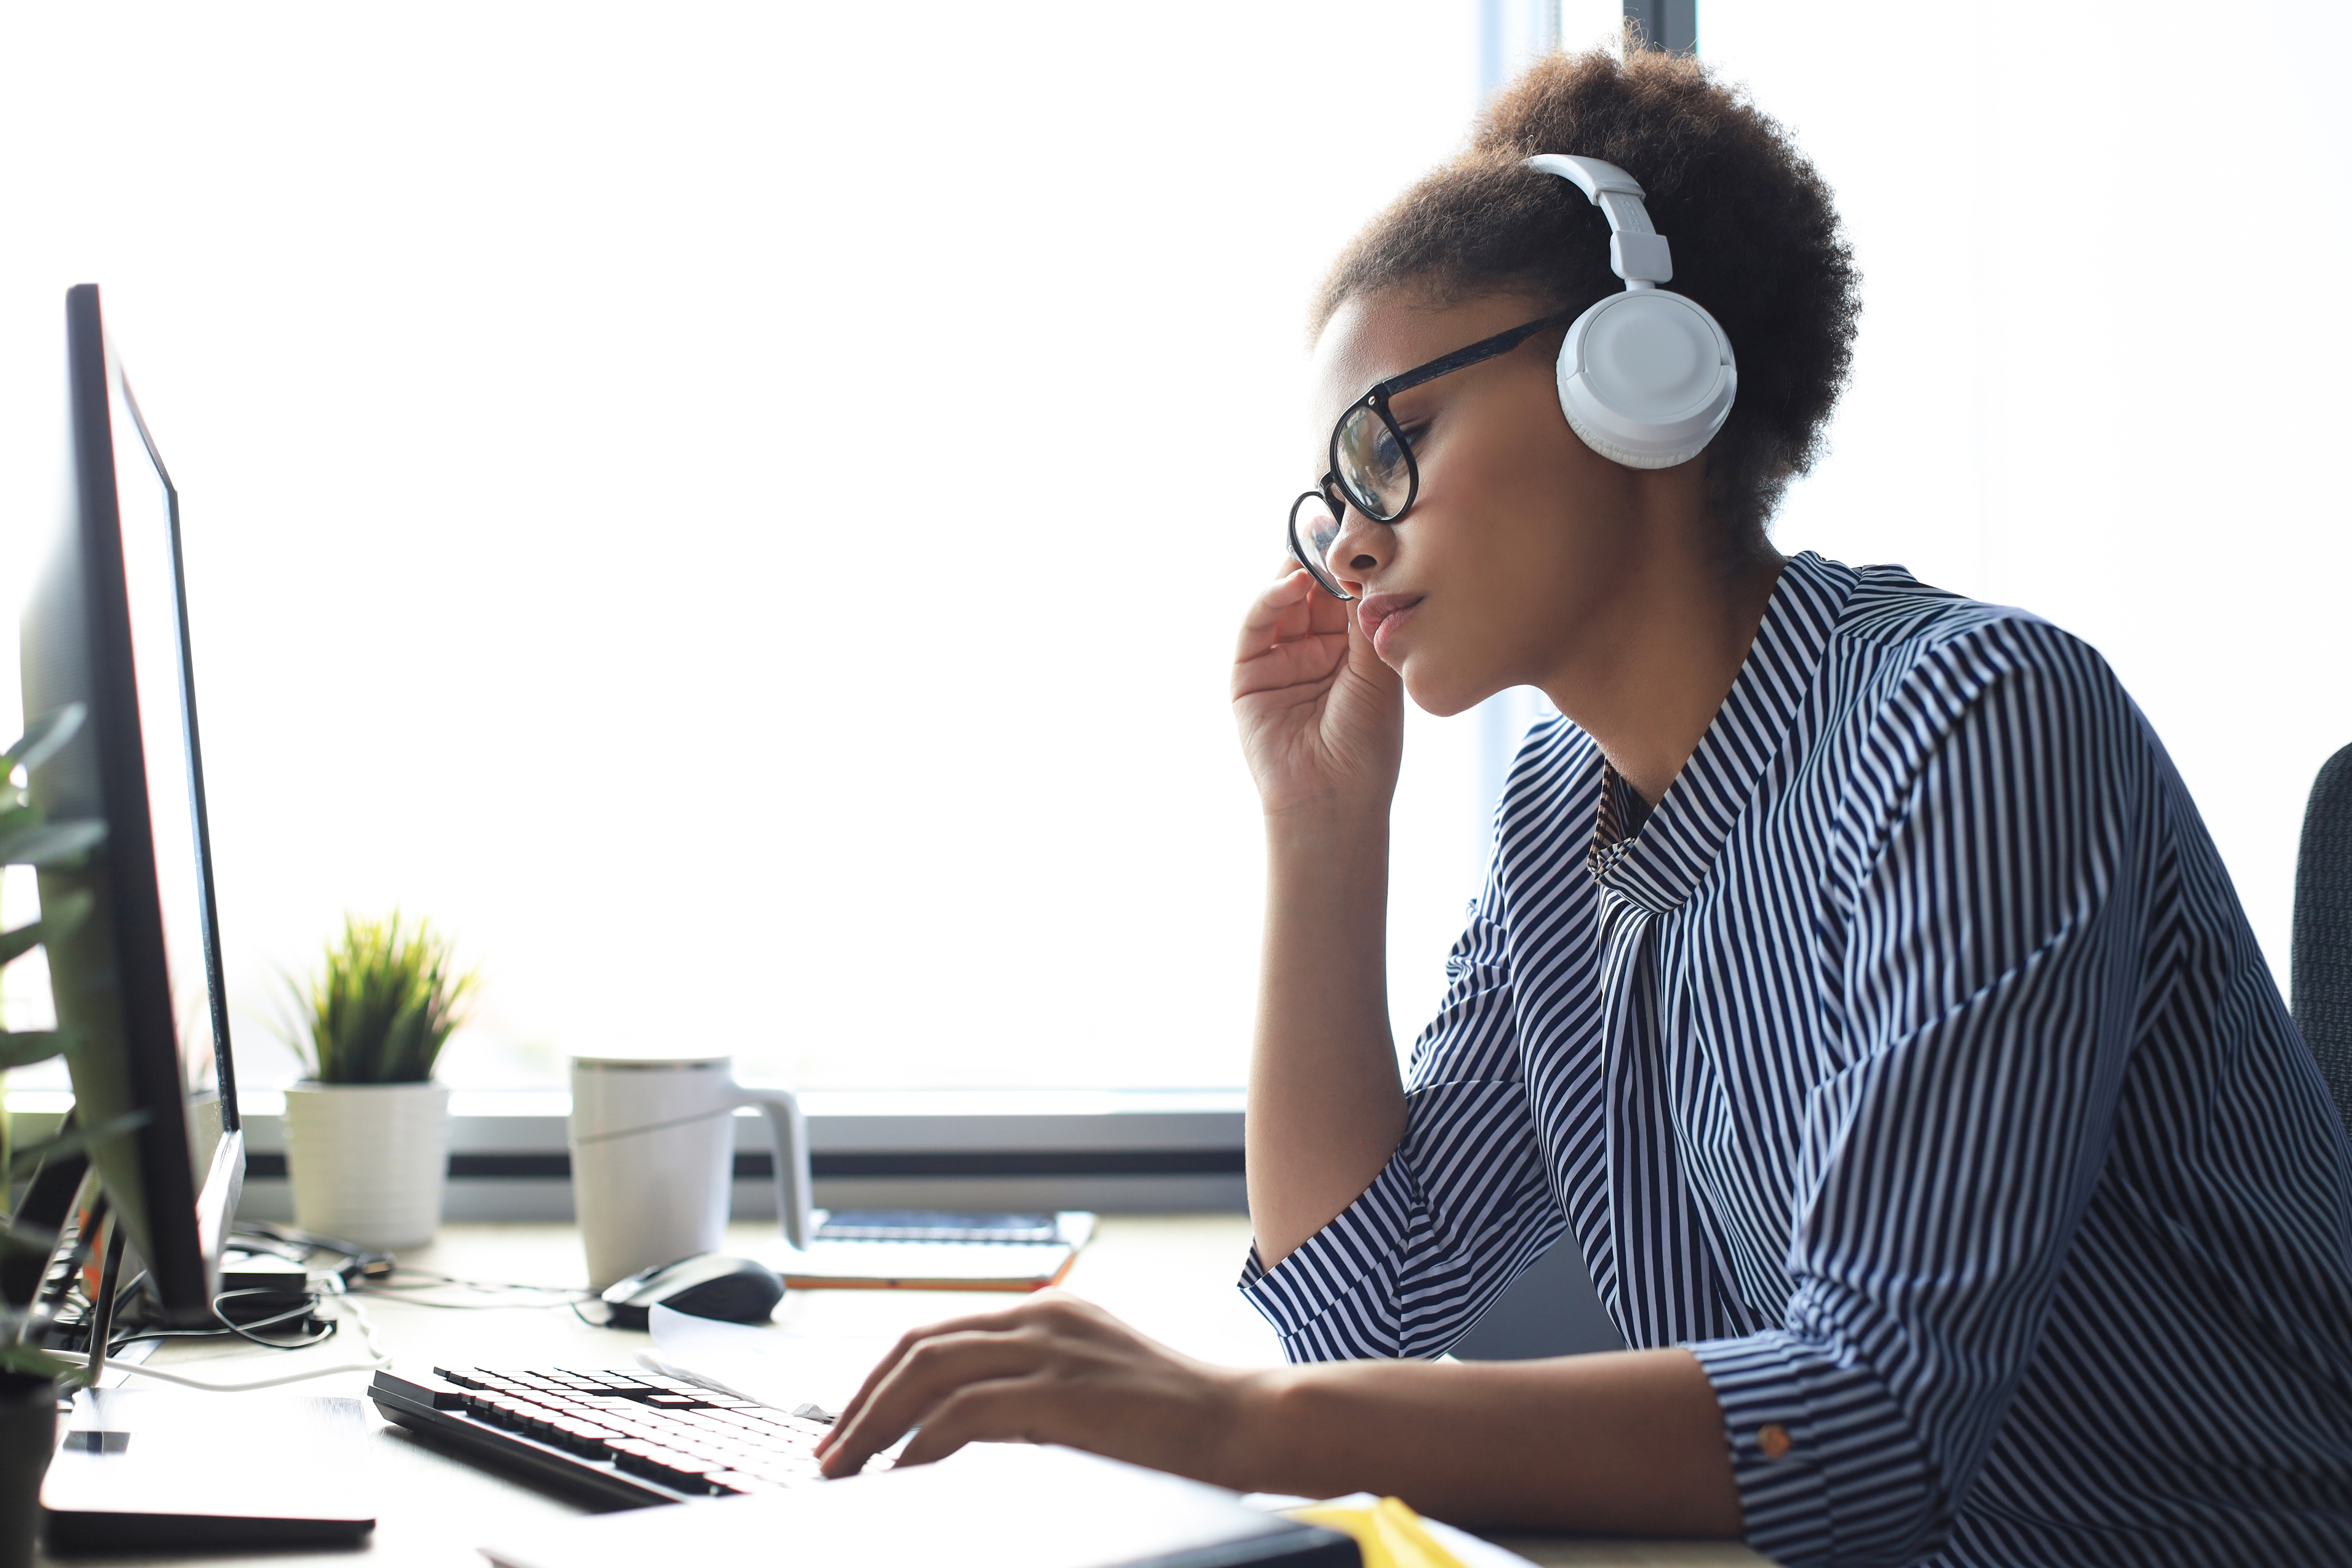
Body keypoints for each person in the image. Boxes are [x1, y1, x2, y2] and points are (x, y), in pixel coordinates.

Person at [814, 47, 2352, 1566]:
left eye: (1389, 447)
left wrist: (1242, 1423)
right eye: (1329, 494)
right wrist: (1324, 825)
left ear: (1635, 378)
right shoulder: (1563, 810)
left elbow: (1870, 1419)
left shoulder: (1975, 723)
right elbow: (1367, 1299)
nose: (1347, 548)